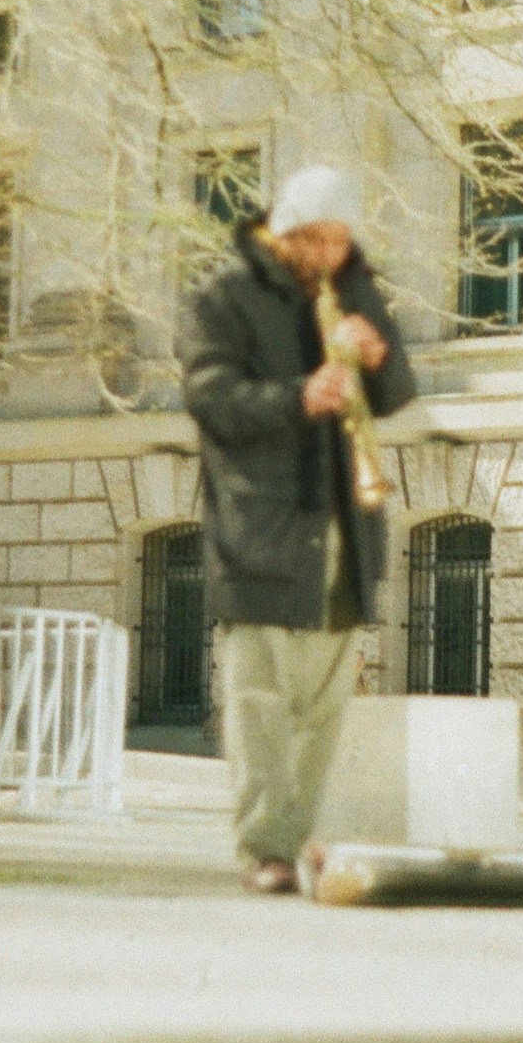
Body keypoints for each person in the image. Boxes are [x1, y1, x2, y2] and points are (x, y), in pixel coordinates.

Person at [179, 162, 415, 893]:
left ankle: (300, 832)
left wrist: (377, 357)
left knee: (324, 704)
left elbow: (399, 391)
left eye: (340, 241)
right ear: (283, 233)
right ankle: (266, 847)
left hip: (343, 522)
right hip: (262, 523)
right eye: (314, 239)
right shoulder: (225, 298)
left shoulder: (358, 291)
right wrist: (298, 396)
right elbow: (210, 396)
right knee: (260, 700)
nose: (327, 255)